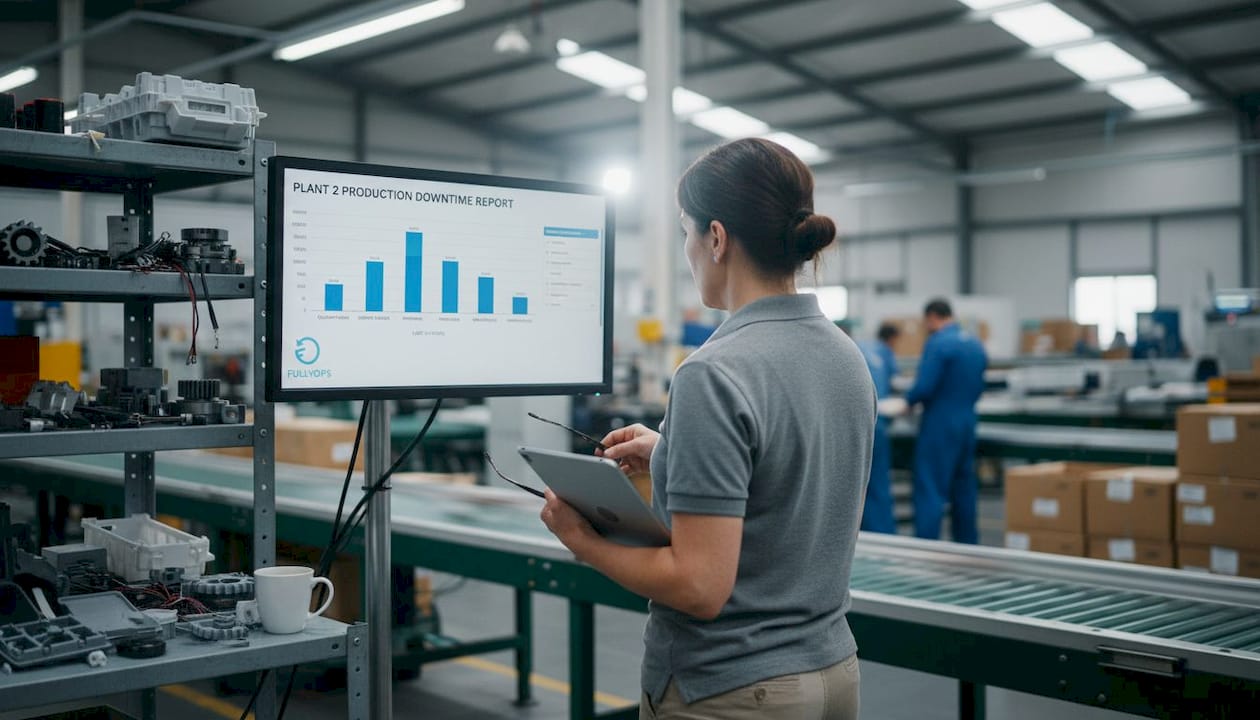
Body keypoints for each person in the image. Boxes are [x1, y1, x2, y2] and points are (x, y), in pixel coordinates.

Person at [539, 138, 873, 719]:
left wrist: (583, 541)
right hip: (833, 673)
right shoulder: (845, 355)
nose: (687, 249)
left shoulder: (713, 373)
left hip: (733, 689)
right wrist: (671, 452)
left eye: (686, 232)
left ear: (716, 239)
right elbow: (780, 475)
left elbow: (698, 586)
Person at [905, 299, 987, 543]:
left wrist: (906, 402)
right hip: (967, 423)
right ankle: (968, 548)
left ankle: (926, 549)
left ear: (932, 317)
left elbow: (924, 387)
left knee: (930, 488)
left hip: (940, 425)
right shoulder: (974, 344)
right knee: (964, 489)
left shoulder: (939, 344)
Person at [857, 322, 900, 533]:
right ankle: (884, 532)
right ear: (892, 339)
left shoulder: (858, 348)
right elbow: (894, 384)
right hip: (879, 424)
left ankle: (868, 532)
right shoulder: (886, 354)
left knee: (860, 485)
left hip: (858, 425)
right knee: (879, 484)